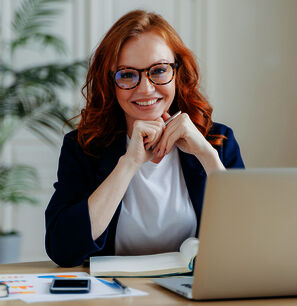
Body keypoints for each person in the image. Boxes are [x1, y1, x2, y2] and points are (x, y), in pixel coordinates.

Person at [45, 10, 244, 267]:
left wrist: (207, 155)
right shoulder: (83, 147)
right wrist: (128, 164)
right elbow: (63, 249)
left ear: (178, 72)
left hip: (192, 292)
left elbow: (249, 240)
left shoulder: (218, 140)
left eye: (159, 70)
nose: (146, 88)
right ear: (110, 83)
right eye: (127, 74)